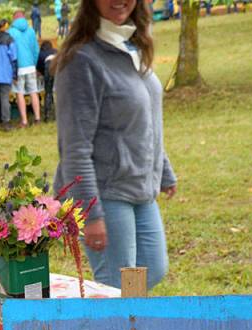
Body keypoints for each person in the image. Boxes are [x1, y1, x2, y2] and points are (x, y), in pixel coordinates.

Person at [52, 0, 177, 290]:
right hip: (105, 192)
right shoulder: (81, 61)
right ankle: (109, 322)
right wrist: (90, 213)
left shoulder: (131, 46)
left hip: (139, 187)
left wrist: (163, 170)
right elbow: (74, 148)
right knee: (117, 286)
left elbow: (146, 119)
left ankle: (125, 320)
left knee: (153, 270)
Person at [9, 11, 41, 126]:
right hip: (31, 66)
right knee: (34, 92)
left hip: (18, 67)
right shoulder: (31, 30)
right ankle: (37, 118)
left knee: (20, 93)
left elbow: (10, 52)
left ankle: (24, 121)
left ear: (14, 19)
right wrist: (34, 64)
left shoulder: (10, 32)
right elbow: (36, 50)